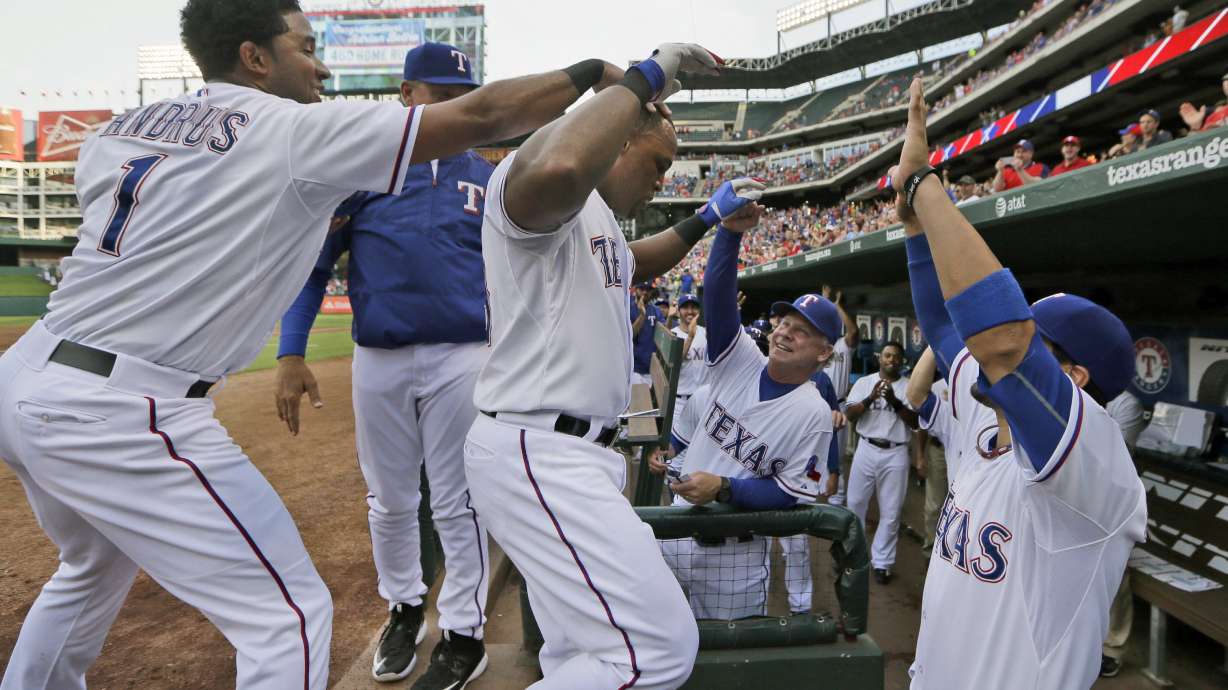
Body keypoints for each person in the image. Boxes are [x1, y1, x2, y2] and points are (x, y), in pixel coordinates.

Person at [0, 1, 628, 686]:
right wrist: (608, 74)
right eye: (304, 46)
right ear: (255, 57)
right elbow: (480, 118)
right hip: (127, 406)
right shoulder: (292, 130)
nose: (320, 62)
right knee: (288, 617)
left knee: (89, 569)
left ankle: (461, 627)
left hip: (30, 374)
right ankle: (406, 610)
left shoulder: (117, 131)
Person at [462, 44, 753, 690]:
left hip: (570, 453)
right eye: (658, 163)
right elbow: (565, 160)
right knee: (658, 649)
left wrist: (707, 218)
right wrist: (646, 74)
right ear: (619, 138)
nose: (662, 180)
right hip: (539, 448)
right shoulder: (535, 180)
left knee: (582, 655)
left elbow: (635, 264)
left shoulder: (595, 216)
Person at [892, 77, 1145, 690]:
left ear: (1075, 377)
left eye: (1039, 340)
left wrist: (924, 186)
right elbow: (947, 324)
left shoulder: (1095, 458)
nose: (1003, 345)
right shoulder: (988, 416)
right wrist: (913, 231)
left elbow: (1001, 338)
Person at [273, 42, 494, 687]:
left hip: (463, 356)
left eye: (464, 95)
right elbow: (312, 272)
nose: (456, 105)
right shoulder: (364, 173)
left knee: (457, 502)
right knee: (391, 500)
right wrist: (291, 351)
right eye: (440, 93)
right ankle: (404, 608)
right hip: (379, 358)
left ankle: (463, 631)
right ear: (406, 95)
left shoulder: (488, 176)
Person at [661, 197, 838, 620]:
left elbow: (789, 493)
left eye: (802, 332)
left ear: (824, 353)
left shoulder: (813, 413)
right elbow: (719, 299)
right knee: (651, 650)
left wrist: (725, 488)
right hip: (675, 531)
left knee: (726, 664)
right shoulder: (742, 359)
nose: (785, 333)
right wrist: (729, 233)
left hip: (733, 558)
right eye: (784, 323)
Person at [843, 341, 918, 584]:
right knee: (855, 504)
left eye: (896, 357)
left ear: (901, 361)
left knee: (891, 510)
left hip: (895, 452)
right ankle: (854, 557)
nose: (891, 360)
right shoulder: (865, 382)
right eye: (887, 355)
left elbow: (915, 422)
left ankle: (882, 563)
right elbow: (850, 414)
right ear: (880, 358)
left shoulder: (909, 387)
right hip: (866, 447)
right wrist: (871, 397)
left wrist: (895, 401)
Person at [1100, 389, 1145, 678]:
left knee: (1115, 572)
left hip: (1112, 495)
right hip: (1069, 488)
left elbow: (1117, 452)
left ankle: (1112, 648)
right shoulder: (1068, 387)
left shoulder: (1125, 401)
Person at [905, 348, 954, 565]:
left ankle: (953, 555)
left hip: (968, 452)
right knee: (935, 505)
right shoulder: (936, 386)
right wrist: (920, 457)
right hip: (939, 449)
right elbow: (923, 426)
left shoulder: (974, 386)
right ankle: (931, 552)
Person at [818, 284, 859, 508]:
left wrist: (837, 306)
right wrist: (824, 305)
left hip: (839, 406)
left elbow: (853, 332)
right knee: (814, 453)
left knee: (838, 457)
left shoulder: (843, 345)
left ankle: (836, 500)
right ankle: (816, 489)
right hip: (815, 406)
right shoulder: (816, 345)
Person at [672, 292, 708, 415]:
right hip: (679, 401)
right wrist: (690, 337)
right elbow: (674, 363)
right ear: (678, 311)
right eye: (685, 307)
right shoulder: (672, 334)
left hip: (704, 400)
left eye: (694, 307)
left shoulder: (706, 333)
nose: (690, 311)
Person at [631, 281, 666, 388]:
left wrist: (669, 318)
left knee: (647, 403)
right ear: (636, 289)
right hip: (633, 367)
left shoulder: (655, 310)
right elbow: (630, 335)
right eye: (642, 289)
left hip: (650, 366)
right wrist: (642, 315)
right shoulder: (628, 308)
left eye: (648, 290)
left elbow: (664, 333)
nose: (645, 292)